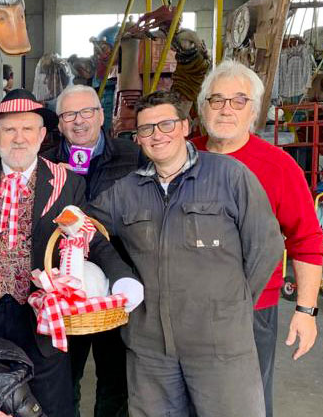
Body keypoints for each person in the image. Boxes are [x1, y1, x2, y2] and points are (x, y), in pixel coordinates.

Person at [0, 89, 142, 417]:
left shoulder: (66, 182)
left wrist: (121, 276)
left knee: (51, 403)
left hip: (42, 313)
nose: (18, 138)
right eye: (9, 129)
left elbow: (89, 236)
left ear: (41, 134)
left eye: (27, 129)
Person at [88, 90, 285, 417]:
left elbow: (266, 245)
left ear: (184, 126)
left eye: (166, 124)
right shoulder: (126, 191)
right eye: (146, 129)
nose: (157, 135)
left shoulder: (229, 176)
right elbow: (84, 225)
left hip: (220, 345)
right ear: (138, 138)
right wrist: (118, 272)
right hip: (150, 349)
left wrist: (230, 305)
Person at [193, 60, 323, 417]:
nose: (226, 109)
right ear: (203, 107)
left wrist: (306, 310)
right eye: (216, 99)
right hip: (184, 306)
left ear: (254, 111)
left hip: (251, 308)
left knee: (246, 402)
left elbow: (306, 241)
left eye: (239, 101)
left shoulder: (278, 166)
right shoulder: (182, 155)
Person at [40, 84, 141, 417]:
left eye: (86, 112)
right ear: (59, 123)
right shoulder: (46, 162)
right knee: (64, 374)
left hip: (116, 280)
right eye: (69, 114)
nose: (79, 121)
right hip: (67, 286)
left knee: (114, 375)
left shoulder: (132, 156)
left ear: (101, 116)